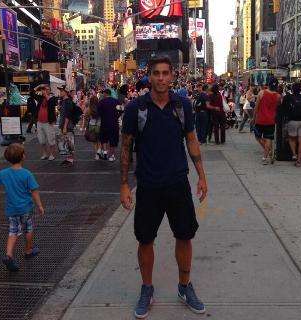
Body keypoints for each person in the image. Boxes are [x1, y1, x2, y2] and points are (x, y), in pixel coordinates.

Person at [120, 56, 208, 319]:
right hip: (147, 185)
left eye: (165, 73)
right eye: (156, 73)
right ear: (149, 76)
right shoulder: (136, 108)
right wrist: (124, 185)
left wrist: (202, 176)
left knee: (185, 236)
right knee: (145, 239)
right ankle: (147, 288)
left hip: (177, 183)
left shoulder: (182, 106)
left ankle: (184, 286)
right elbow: (125, 147)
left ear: (172, 76)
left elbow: (191, 140)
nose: (160, 78)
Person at [0, 143, 44, 271]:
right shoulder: (26, 174)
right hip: (25, 209)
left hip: (11, 210)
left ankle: (8, 255)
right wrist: (40, 206)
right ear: (23, 157)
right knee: (28, 229)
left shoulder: (4, 173)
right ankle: (28, 251)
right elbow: (34, 191)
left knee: (13, 232)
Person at [253, 77, 282, 165]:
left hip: (260, 119)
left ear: (268, 84)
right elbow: (278, 107)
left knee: (258, 136)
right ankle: (265, 157)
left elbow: (256, 107)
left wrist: (253, 118)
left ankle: (268, 151)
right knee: (269, 138)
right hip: (271, 120)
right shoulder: (278, 96)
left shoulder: (261, 93)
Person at [282, 82, 301, 167]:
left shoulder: (287, 97)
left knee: (292, 139)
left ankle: (294, 154)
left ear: (292, 89)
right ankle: (299, 160)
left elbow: (283, 108)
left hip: (292, 121)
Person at [34, 85, 57, 161]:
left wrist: (46, 95)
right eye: (44, 89)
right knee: (41, 140)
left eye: (47, 89)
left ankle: (52, 154)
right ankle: (45, 153)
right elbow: (32, 93)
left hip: (48, 122)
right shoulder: (41, 98)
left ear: (50, 90)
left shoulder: (52, 98)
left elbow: (51, 103)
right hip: (39, 122)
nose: (45, 90)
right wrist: (38, 87)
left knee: (51, 140)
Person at [97, 89, 120, 162]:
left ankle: (105, 153)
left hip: (104, 123)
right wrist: (117, 116)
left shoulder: (101, 102)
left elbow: (98, 113)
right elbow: (121, 110)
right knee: (113, 140)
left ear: (105, 94)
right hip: (114, 123)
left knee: (104, 139)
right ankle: (112, 155)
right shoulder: (116, 101)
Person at [58, 85, 76, 166]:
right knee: (65, 142)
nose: (60, 92)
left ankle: (70, 160)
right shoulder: (63, 101)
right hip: (64, 125)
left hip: (68, 126)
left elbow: (68, 115)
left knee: (69, 142)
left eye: (61, 91)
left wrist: (65, 126)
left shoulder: (68, 101)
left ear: (66, 92)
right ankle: (68, 159)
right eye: (60, 91)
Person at [84, 96, 101, 160]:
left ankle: (97, 154)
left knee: (94, 141)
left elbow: (85, 117)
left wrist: (84, 126)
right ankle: (100, 151)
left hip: (91, 125)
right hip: (99, 125)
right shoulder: (100, 107)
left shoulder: (89, 108)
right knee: (99, 140)